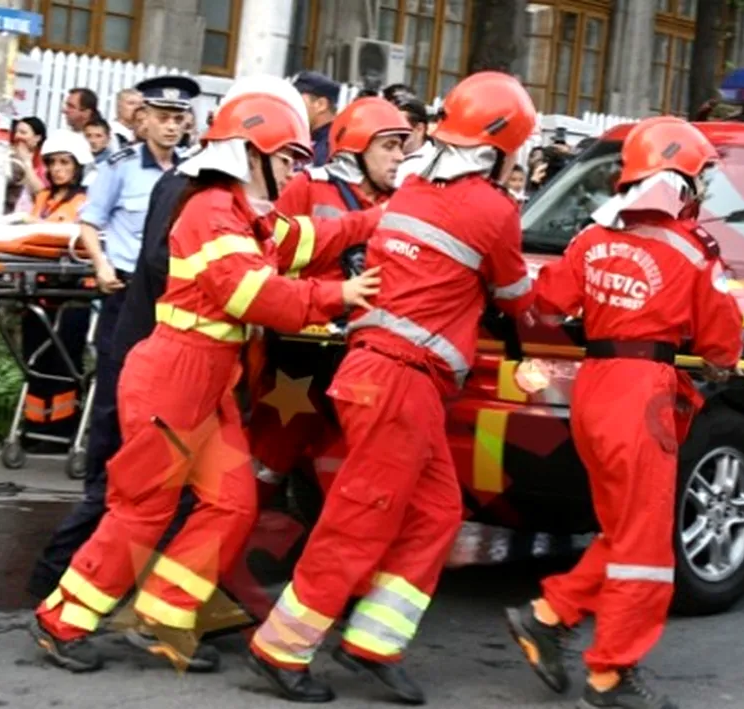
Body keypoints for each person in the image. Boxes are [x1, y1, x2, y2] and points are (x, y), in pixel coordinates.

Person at [28, 78, 385, 675]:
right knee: (141, 509)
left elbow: (296, 241)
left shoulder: (239, 211)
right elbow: (255, 295)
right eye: (290, 158)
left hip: (202, 382)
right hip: (176, 378)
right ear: (252, 152)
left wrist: (373, 220)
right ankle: (60, 621)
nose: (297, 172)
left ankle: (165, 615)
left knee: (232, 503)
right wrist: (339, 292)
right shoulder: (215, 212)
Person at [245, 71, 538, 705]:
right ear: (503, 147)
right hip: (400, 381)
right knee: (358, 521)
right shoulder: (492, 209)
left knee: (436, 512)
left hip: (384, 375)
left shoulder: (408, 191)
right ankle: (282, 647)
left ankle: (374, 641)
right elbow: (519, 298)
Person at [503, 116, 744, 709]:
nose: (703, 189)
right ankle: (609, 673)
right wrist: (714, 361)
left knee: (623, 529)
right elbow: (722, 345)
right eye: (700, 177)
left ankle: (548, 615)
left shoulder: (591, 237)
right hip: (644, 398)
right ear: (679, 181)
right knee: (645, 546)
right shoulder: (693, 251)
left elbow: (550, 302)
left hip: (594, 390)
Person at [23, 75, 199, 603]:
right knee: (114, 413)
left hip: (171, 303)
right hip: (126, 295)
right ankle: (79, 542)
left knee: (158, 425)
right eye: (161, 116)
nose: (171, 125)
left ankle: (129, 551)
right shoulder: (119, 169)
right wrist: (100, 266)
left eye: (178, 117)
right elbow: (89, 225)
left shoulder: (193, 172)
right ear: (141, 119)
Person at [249, 96, 412, 500]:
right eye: (388, 147)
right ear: (356, 148)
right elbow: (271, 251)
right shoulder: (306, 186)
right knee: (276, 445)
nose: (397, 159)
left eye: (401, 148)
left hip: (364, 352)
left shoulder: (403, 202)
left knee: (349, 458)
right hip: (301, 346)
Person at [17, 129, 95, 450]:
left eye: (65, 162)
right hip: (40, 288)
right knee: (34, 358)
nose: (58, 168)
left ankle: (61, 429)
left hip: (74, 292)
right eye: (53, 163)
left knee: (64, 361)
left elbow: (78, 235)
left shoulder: (85, 201)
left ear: (78, 166)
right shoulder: (41, 200)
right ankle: (34, 425)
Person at [292, 71, 341, 167]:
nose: (291, 105)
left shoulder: (331, 147)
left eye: (296, 99)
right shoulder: (305, 138)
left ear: (320, 105)